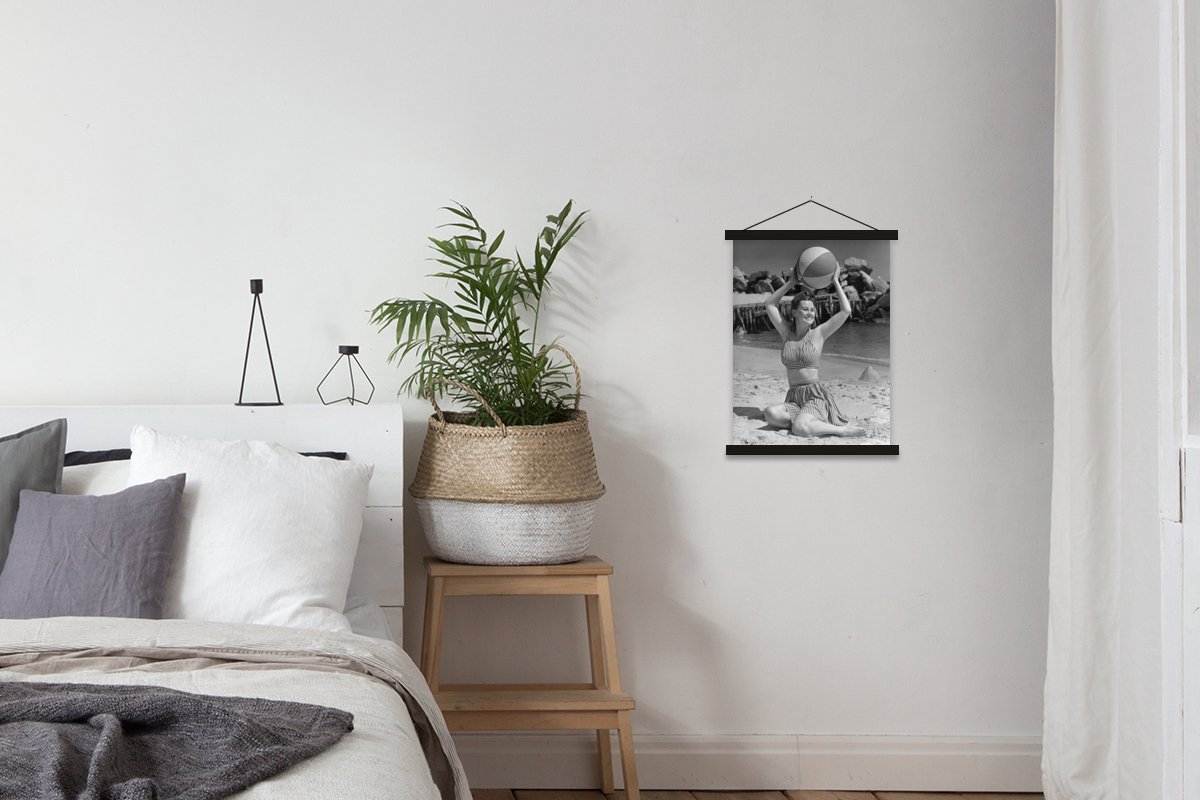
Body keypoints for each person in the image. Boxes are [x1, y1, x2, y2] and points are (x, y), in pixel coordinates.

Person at [761, 261, 866, 438]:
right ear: (794, 312)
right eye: (805, 309)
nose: (810, 313)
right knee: (770, 413)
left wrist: (835, 281)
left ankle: (842, 431)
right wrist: (791, 282)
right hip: (794, 396)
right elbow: (770, 305)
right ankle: (807, 422)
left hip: (815, 395)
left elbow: (846, 310)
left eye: (812, 309)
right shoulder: (786, 333)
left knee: (799, 429)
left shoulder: (819, 333)